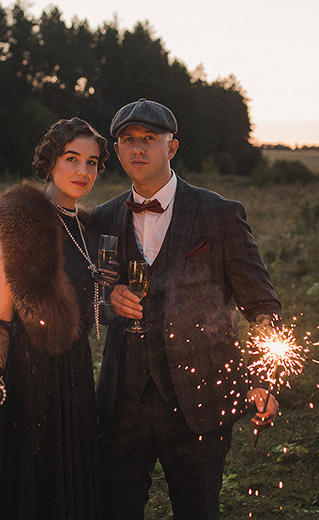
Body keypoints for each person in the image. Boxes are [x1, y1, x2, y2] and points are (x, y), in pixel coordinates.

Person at [95, 98, 282, 519]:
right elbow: (84, 299)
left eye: (149, 138)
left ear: (172, 147)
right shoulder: (102, 218)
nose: (138, 148)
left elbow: (261, 304)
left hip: (201, 398)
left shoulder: (220, 215)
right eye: (128, 139)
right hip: (122, 400)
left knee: (198, 510)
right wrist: (107, 301)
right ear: (118, 149)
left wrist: (264, 379)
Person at [0, 117, 112, 520]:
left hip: (76, 377)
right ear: (50, 162)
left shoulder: (90, 228)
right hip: (28, 382)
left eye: (92, 162)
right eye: (72, 158)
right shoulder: (24, 222)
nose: (83, 171)